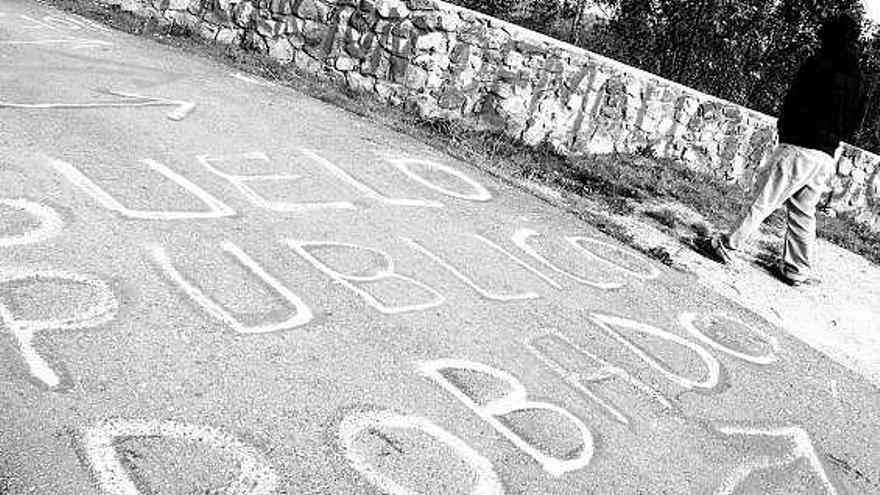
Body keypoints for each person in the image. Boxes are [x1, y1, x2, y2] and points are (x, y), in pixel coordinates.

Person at [709, 13, 868, 286]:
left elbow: (795, 101)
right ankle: (796, 270)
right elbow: (856, 121)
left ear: (827, 35)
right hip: (826, 155)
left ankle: (728, 245)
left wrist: (787, 132)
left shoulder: (817, 64)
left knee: (763, 198)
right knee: (803, 213)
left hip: (799, 145)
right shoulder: (860, 78)